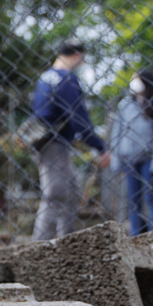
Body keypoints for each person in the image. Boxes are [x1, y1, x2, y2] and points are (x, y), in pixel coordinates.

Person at [32, 40, 111, 240]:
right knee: (56, 194)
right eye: (82, 58)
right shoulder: (65, 79)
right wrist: (100, 147)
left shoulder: (45, 78)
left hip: (43, 141)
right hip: (55, 143)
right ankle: (40, 247)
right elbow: (78, 117)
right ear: (77, 55)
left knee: (71, 191)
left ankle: (64, 241)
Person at [111, 70, 153, 235]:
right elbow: (117, 132)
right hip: (129, 160)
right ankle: (135, 235)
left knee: (152, 199)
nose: (133, 82)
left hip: (149, 160)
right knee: (133, 200)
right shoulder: (125, 104)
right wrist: (116, 162)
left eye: (136, 79)